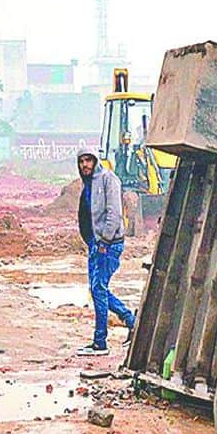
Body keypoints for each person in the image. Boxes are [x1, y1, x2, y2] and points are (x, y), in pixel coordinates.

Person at [76, 147, 134, 355]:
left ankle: (100, 342)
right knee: (97, 289)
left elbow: (114, 213)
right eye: (81, 161)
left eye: (88, 161)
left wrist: (104, 241)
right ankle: (130, 320)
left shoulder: (109, 179)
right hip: (95, 244)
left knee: (98, 289)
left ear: (95, 161)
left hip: (107, 245)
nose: (85, 165)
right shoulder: (88, 184)